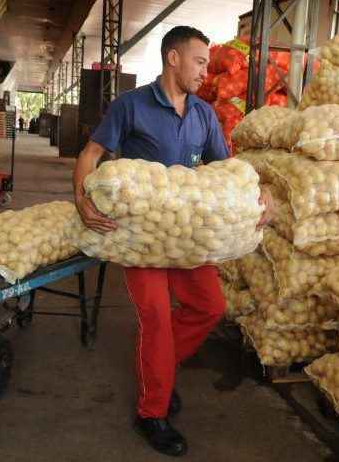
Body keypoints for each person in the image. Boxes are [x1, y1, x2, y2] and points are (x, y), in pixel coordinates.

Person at [73, 26, 270, 457]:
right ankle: (151, 412)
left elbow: (225, 168)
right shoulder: (131, 106)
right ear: (173, 58)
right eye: (199, 61)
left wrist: (258, 194)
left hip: (186, 236)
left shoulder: (202, 114)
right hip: (141, 237)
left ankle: (156, 370)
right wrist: (82, 199)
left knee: (210, 307)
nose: (205, 71)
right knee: (158, 320)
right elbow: (90, 155)